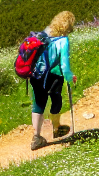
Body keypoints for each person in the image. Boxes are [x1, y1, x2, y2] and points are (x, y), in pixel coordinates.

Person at [30, 11, 76, 150]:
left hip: (36, 74)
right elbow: (64, 65)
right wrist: (70, 77)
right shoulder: (63, 40)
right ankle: (56, 129)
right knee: (56, 100)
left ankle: (36, 137)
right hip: (53, 76)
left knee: (38, 104)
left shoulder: (44, 32)